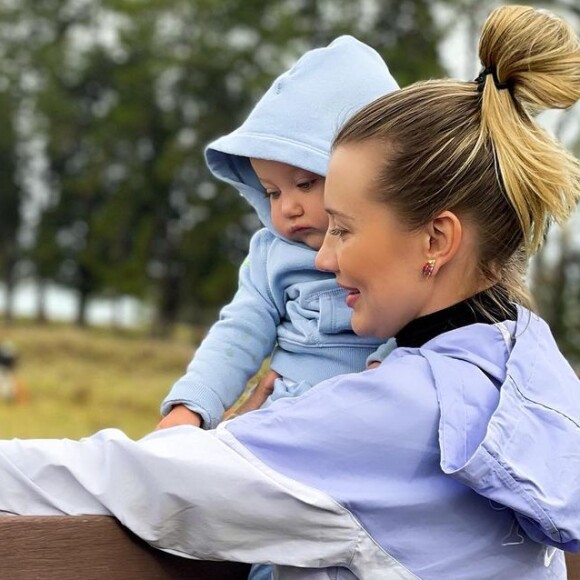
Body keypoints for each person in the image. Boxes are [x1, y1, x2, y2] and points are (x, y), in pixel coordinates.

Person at [0, 5, 579, 579]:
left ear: (436, 238)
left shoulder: (395, 416)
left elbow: (130, 479)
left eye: (344, 228)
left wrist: (239, 440)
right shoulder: (529, 371)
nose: (323, 258)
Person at [157, 36, 399, 431]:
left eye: (305, 183)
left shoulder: (398, 251)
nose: (287, 207)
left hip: (370, 419)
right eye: (272, 192)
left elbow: (425, 324)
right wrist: (192, 408)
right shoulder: (273, 255)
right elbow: (239, 333)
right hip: (278, 415)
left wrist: (386, 367)